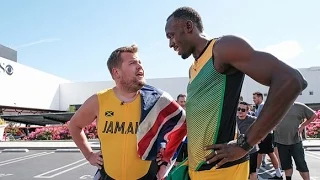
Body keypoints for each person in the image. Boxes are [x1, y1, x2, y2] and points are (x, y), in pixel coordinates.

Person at [165, 6, 307, 180]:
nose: (170, 43)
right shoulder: (192, 69)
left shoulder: (222, 48)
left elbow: (291, 80)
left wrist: (245, 144)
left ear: (188, 27)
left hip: (222, 171)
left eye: (171, 35)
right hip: (199, 170)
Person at [68, 44, 187, 180]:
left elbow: (182, 125)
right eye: (132, 63)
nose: (140, 66)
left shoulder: (158, 99)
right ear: (116, 72)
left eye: (140, 62)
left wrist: (166, 159)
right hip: (108, 176)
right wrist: (89, 155)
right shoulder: (99, 100)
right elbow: (74, 125)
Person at [274, 102, 317, 180]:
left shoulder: (299, 106)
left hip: (295, 141)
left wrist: (302, 125)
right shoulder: (276, 106)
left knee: (301, 165)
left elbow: (313, 115)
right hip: (280, 141)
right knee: (286, 165)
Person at [253, 92, 283, 179]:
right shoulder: (259, 107)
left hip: (265, 134)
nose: (253, 100)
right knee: (263, 153)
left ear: (259, 97)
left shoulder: (262, 106)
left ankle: (277, 174)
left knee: (267, 153)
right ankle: (277, 174)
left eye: (255, 98)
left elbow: (265, 120)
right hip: (264, 133)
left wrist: (263, 135)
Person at [236, 101, 259, 180]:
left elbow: (264, 125)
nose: (240, 111)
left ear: (247, 111)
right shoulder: (233, 119)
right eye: (238, 109)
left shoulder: (252, 119)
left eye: (243, 110)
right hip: (237, 151)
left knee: (252, 172)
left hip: (251, 150)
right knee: (240, 172)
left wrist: (259, 138)